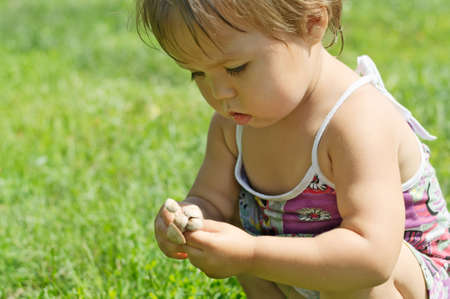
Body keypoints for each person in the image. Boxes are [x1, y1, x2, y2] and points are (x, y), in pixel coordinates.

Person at [137, 0, 450, 298]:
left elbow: (372, 258)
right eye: (198, 74)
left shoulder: (356, 123)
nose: (219, 93)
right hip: (306, 276)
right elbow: (211, 201)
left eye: (236, 68)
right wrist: (189, 222)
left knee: (349, 274)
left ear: (311, 23)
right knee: (232, 228)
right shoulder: (233, 126)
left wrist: (251, 253)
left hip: (394, 282)